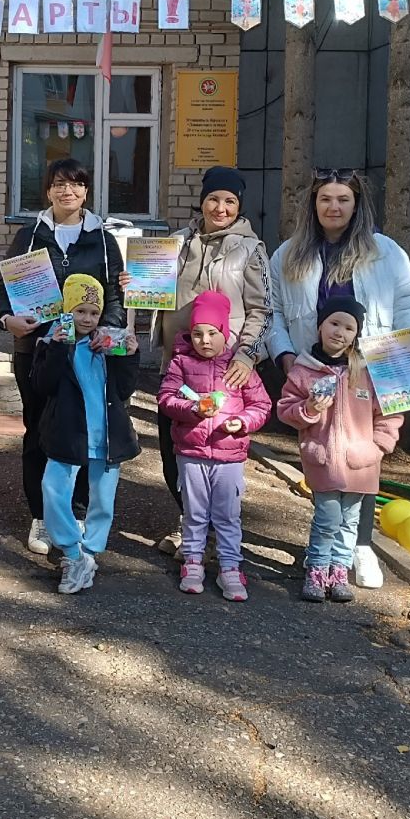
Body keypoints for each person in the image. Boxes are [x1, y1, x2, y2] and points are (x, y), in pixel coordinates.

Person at [266, 168, 410, 589]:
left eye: (343, 199)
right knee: (323, 457)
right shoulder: (288, 254)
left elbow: (408, 303)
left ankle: (359, 546)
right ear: (313, 204)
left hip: (371, 370)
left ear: (357, 204)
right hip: (316, 373)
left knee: (365, 457)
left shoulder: (385, 251)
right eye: (325, 198)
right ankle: (325, 549)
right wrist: (285, 356)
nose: (334, 207)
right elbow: (273, 312)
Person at [0, 157, 128, 556]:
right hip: (37, 352)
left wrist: (107, 328)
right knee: (39, 429)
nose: (68, 191)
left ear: (86, 191)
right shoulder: (29, 236)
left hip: (88, 355)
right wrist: (7, 320)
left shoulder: (103, 240)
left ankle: (77, 511)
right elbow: (3, 290)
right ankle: (41, 514)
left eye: (76, 184)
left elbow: (115, 297)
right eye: (59, 184)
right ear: (48, 190)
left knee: (85, 432)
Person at [152, 165, 270, 556]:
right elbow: (154, 289)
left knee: (217, 452)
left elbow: (263, 309)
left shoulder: (251, 250)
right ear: (202, 201)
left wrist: (247, 355)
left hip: (226, 371)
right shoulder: (178, 243)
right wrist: (136, 283)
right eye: (214, 199)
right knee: (176, 449)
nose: (221, 208)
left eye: (230, 201)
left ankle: (217, 532)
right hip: (178, 365)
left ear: (239, 206)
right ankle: (188, 522)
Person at [276, 297, 403, 602]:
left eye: (349, 328)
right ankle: (317, 570)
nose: (340, 332)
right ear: (320, 325)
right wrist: (309, 409)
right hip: (323, 461)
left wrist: (380, 445)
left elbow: (390, 411)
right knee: (327, 519)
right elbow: (285, 410)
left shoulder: (367, 372)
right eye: (334, 323)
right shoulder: (304, 371)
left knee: (350, 522)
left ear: (356, 334)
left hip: (362, 463)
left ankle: (339, 571)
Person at [156, 290, 273, 602]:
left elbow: (262, 406)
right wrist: (192, 409)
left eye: (212, 333)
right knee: (194, 512)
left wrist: (242, 422)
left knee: (227, 515)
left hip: (229, 455)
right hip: (191, 453)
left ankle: (230, 566)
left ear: (225, 333)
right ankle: (192, 561)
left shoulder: (239, 367)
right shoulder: (181, 363)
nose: (204, 341)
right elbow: (166, 398)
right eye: (197, 334)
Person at [29, 274, 141, 595]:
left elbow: (123, 390)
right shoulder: (51, 341)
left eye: (94, 312)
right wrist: (57, 348)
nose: (87, 319)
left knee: (102, 500)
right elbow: (43, 385)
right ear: (67, 310)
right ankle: (72, 552)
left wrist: (129, 356)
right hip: (67, 435)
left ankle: (89, 553)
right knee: (53, 490)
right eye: (80, 311)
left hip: (107, 437)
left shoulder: (106, 343)